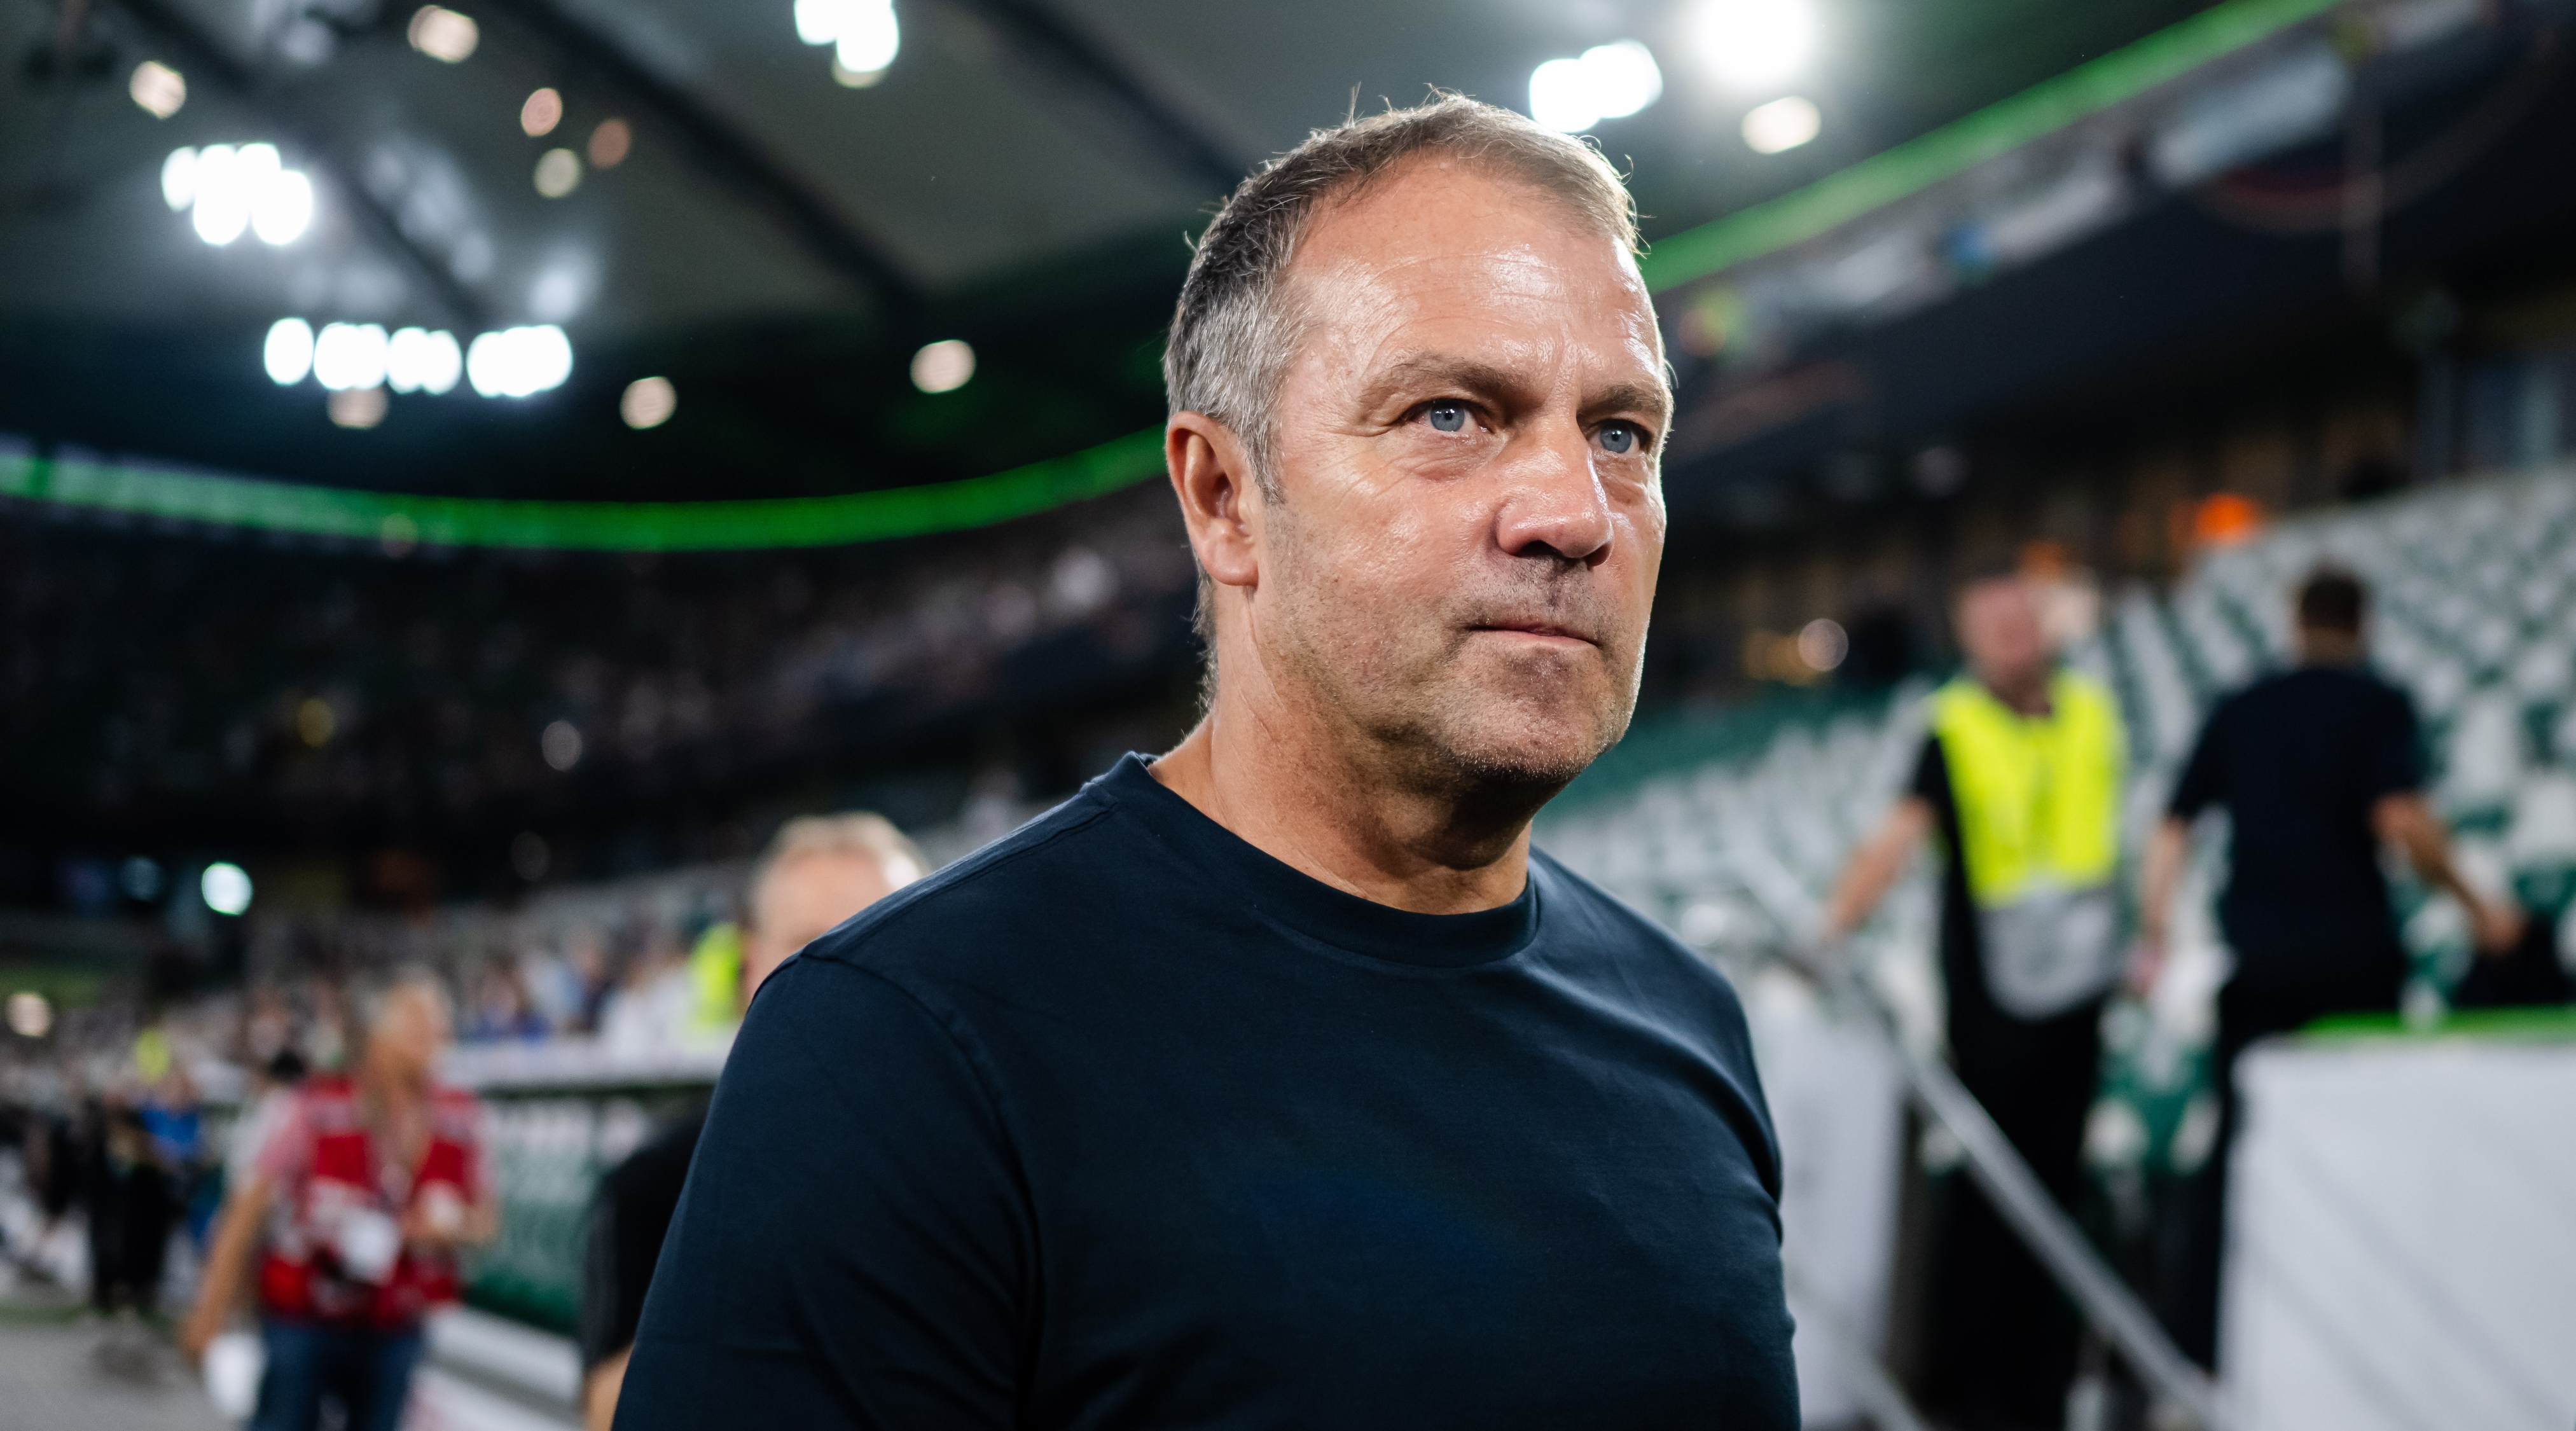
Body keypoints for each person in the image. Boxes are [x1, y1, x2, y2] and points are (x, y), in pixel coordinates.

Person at [614, 98, 1797, 1430]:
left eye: (1623, 433)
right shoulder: (902, 1049)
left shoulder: (1691, 1028)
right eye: (1453, 414)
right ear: (1224, 498)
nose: (1573, 512)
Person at [2136, 566, 2523, 1368]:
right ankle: (2346, 1349)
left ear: (2293, 621)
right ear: (2363, 624)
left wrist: (2156, 932)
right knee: (2360, 1156)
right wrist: (2479, 909)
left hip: (2260, 965)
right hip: (2354, 965)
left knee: (2237, 1158)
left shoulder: (2240, 705)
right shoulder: (2377, 703)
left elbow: (2170, 831)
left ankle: (2200, 1358)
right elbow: (2402, 821)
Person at [1824, 572, 2128, 1431]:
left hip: (2079, 996)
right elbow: (1897, 836)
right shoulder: (1950, 726)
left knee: (2058, 1198)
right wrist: (1829, 932)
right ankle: (1977, 1398)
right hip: (1992, 1006)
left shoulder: (2092, 712)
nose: (2009, 636)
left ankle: (2046, 1394)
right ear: (1967, 638)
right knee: (1994, 1203)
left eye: (2017, 618)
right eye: (1989, 624)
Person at [579, 812, 924, 1431]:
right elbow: (608, 1411)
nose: (855, 976)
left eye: (890, 939)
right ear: (751, 968)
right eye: (812, 947)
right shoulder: (657, 1183)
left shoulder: (1007, 1169)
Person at [181, 972, 495, 1431]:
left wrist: (444, 1228)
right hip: (304, 1315)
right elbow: (246, 1210)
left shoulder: (463, 1118)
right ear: (378, 1035)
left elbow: (486, 1219)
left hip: (397, 1321)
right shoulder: (311, 1107)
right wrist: (209, 1312)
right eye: (416, 1022)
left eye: (437, 1024)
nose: (431, 1035)